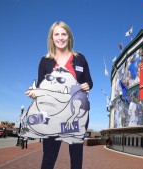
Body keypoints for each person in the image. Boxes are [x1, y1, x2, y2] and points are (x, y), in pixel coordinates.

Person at [25, 21, 93, 169]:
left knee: (76, 159)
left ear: (69, 37)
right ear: (52, 38)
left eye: (64, 34)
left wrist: (87, 85)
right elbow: (42, 87)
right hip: (52, 117)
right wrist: (35, 93)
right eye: (57, 34)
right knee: (49, 158)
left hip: (75, 115)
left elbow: (89, 82)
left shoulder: (80, 58)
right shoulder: (45, 61)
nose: (60, 37)